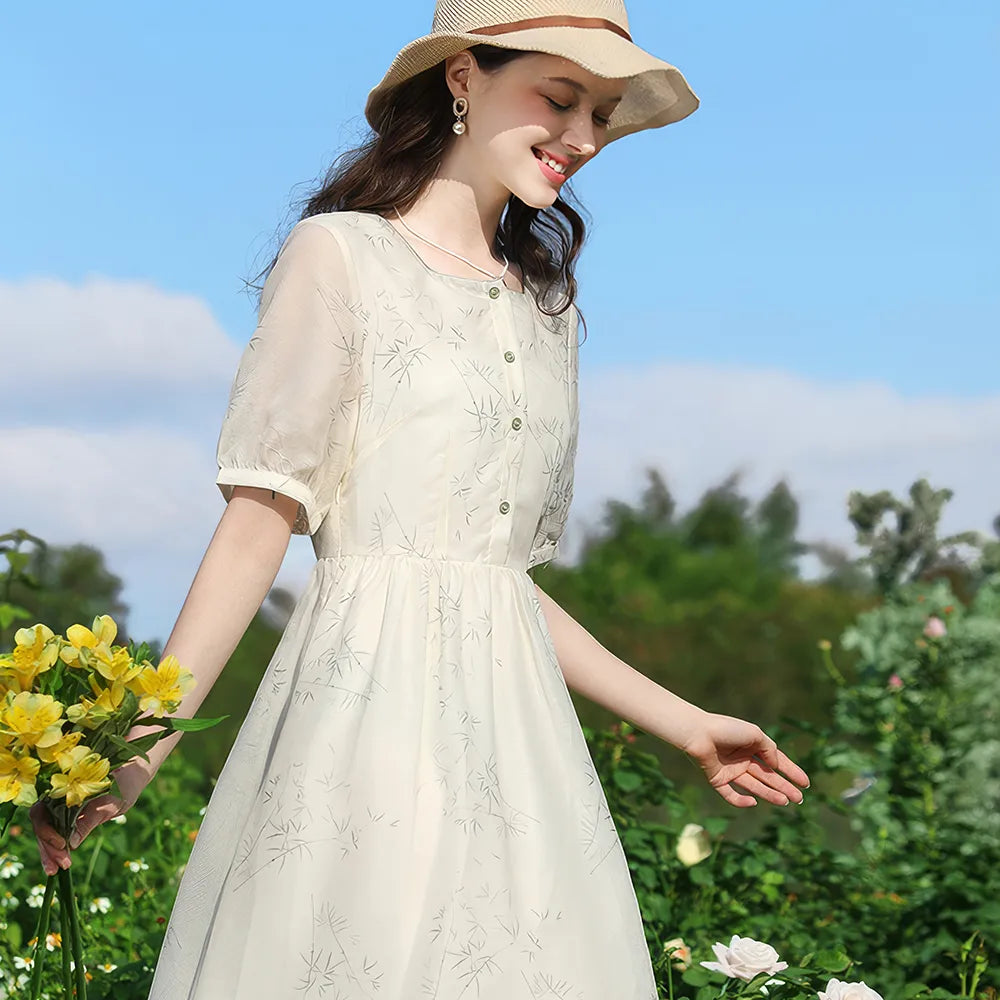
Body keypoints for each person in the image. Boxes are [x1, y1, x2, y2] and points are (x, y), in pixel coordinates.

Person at [33, 2, 810, 996]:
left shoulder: (545, 312)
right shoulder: (343, 257)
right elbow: (257, 526)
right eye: (559, 97)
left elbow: (494, 579)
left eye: (602, 114)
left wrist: (686, 721)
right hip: (362, 723)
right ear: (461, 78)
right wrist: (134, 747)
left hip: (518, 747)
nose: (581, 137)